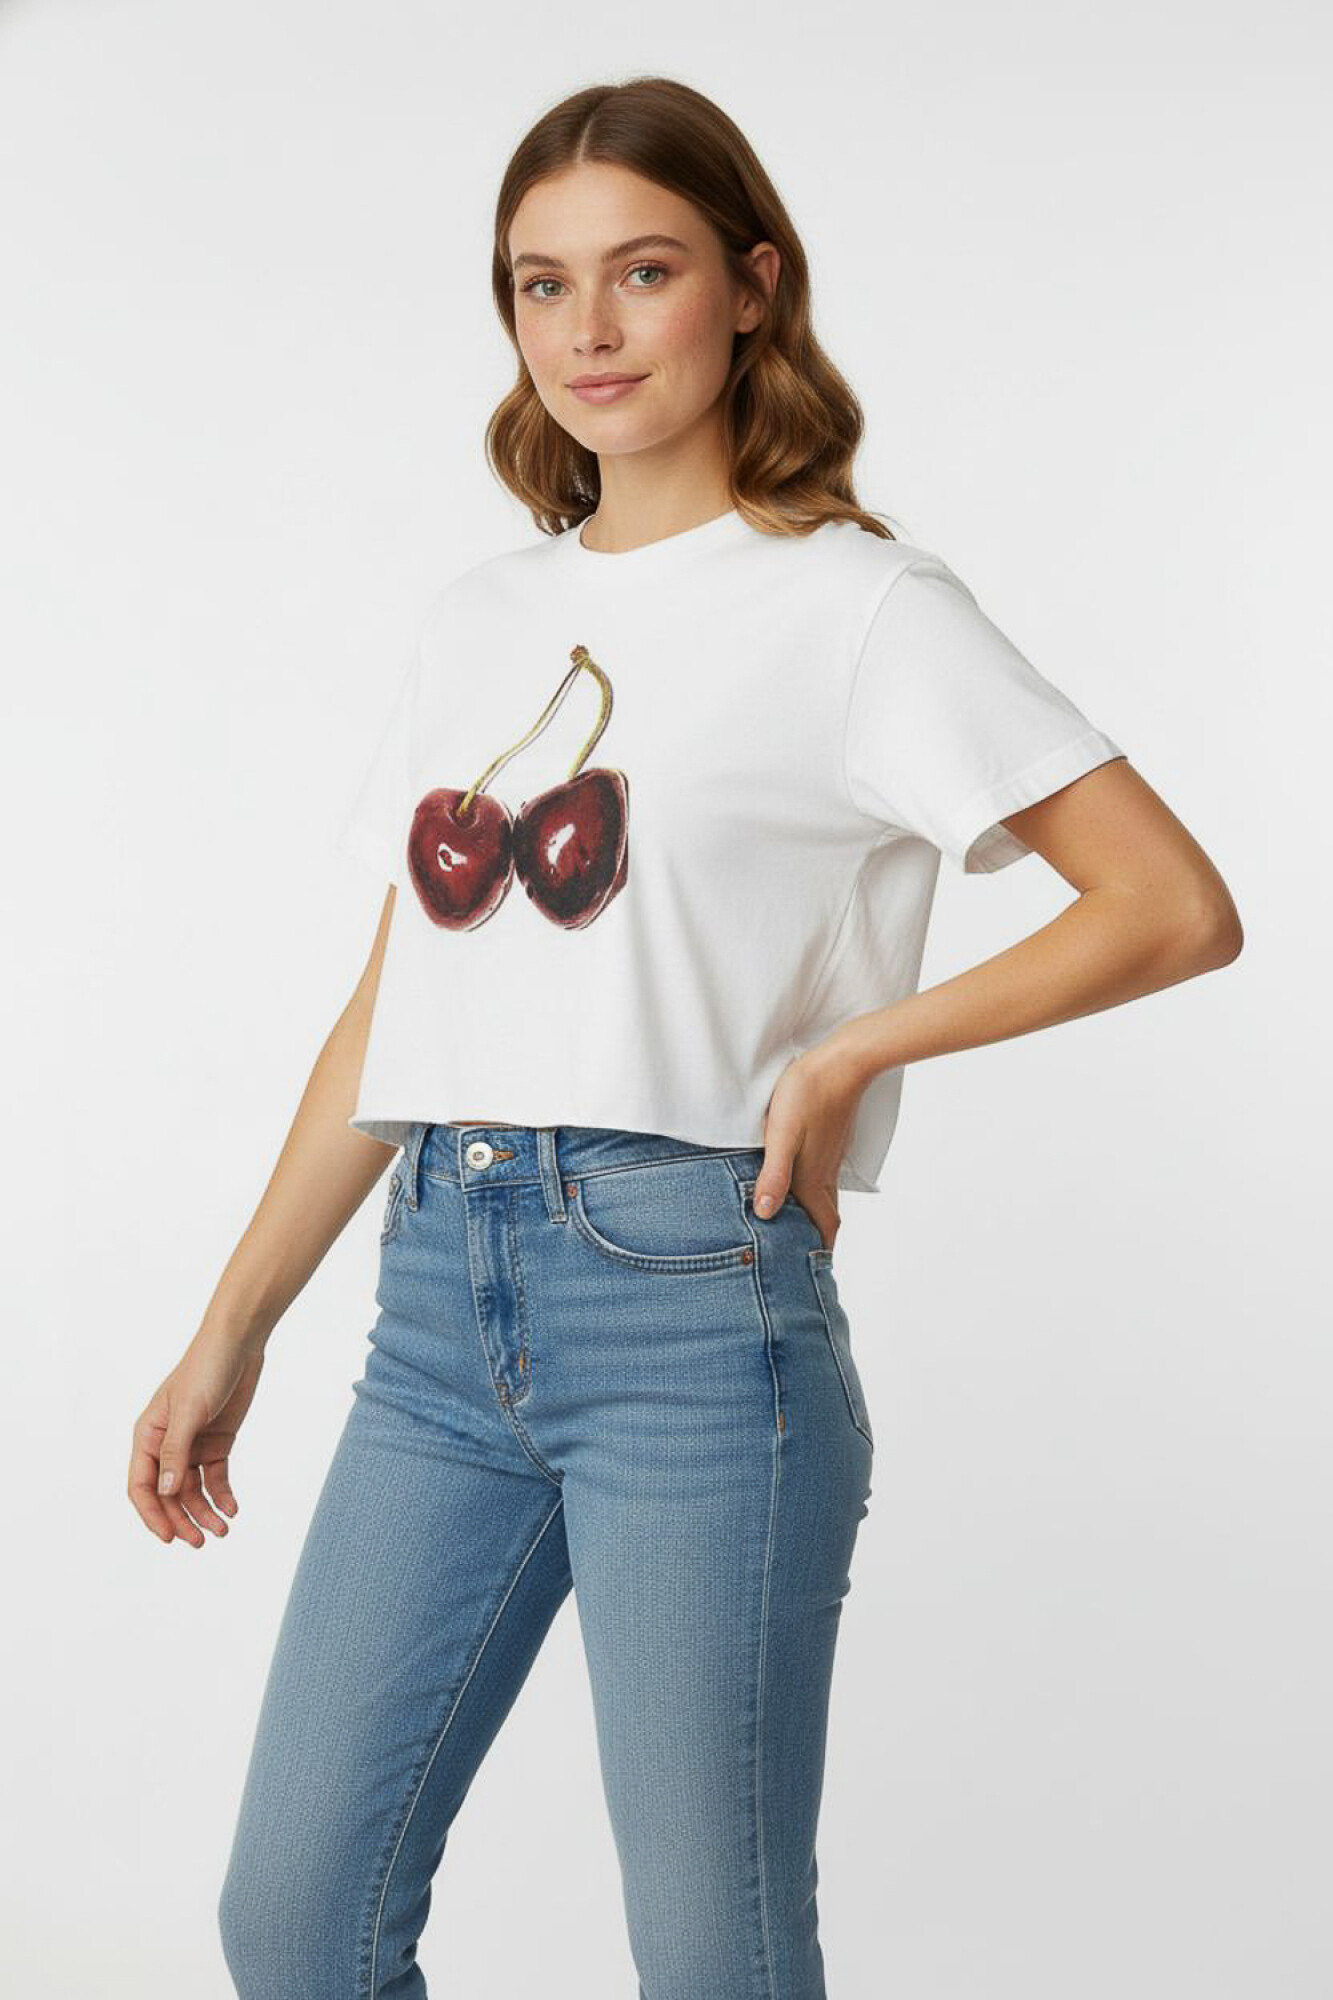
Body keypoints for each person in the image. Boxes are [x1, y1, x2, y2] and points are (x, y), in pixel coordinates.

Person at [128, 76, 1242, 2000]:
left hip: (692, 1315)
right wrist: (236, 1321)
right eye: (539, 283)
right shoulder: (478, 619)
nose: (588, 328)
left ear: (750, 284)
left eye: (641, 272)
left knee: (711, 1956)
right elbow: (404, 1004)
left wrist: (844, 1057)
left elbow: (1169, 905)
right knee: (296, 1920)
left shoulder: (860, 606)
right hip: (432, 1315)